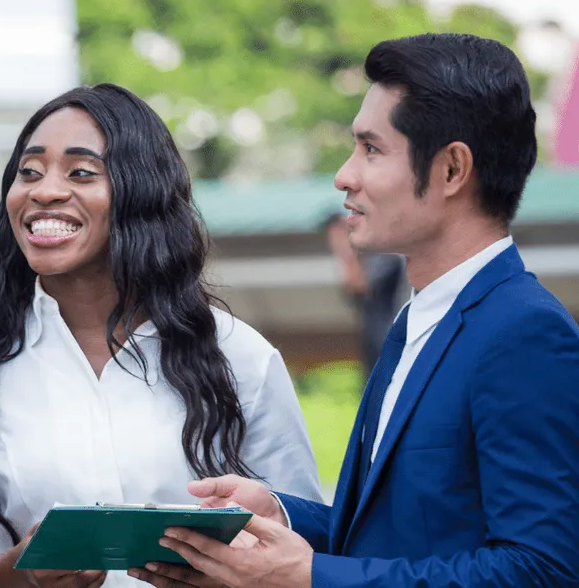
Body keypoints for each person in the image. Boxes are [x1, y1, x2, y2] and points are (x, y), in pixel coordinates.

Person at [148, 33, 579, 587]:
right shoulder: (416, 324)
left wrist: (310, 578)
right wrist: (282, 515)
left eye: (371, 149)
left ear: (451, 169)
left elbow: (543, 569)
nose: (344, 176)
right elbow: (391, 535)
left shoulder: (524, 332)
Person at [0, 85, 323, 588]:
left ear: (141, 192)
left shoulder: (240, 356)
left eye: (81, 172)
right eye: (29, 172)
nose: (44, 191)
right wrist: (21, 574)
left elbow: (303, 548)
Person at [322, 212, 407, 378]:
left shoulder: (386, 255)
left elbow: (361, 285)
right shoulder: (364, 259)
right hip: (370, 338)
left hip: (388, 335)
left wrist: (346, 251)